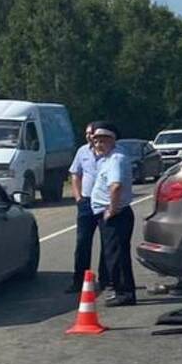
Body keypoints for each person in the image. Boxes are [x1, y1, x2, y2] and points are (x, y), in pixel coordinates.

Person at [90, 123, 137, 307]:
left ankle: (124, 293)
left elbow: (115, 186)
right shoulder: (107, 159)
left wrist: (112, 209)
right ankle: (120, 290)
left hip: (116, 214)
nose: (98, 144)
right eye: (96, 141)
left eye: (103, 140)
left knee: (117, 255)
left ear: (112, 141)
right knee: (114, 254)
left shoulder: (116, 159)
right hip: (111, 213)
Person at [67, 122, 110, 293]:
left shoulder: (108, 152)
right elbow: (75, 174)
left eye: (91, 133)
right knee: (83, 242)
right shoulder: (82, 151)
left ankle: (106, 280)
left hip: (104, 203)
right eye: (87, 133)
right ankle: (79, 281)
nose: (89, 136)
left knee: (107, 243)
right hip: (86, 202)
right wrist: (78, 197)